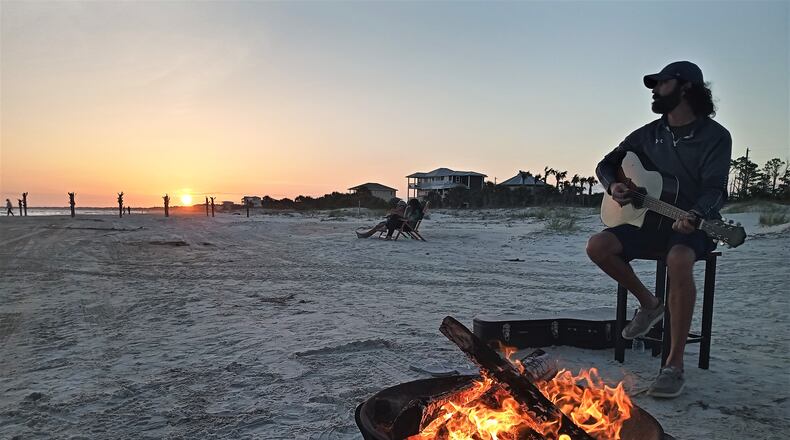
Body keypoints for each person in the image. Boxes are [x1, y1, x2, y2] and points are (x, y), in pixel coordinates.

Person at [586, 61, 731, 398]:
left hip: (692, 223)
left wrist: (696, 214)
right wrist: (613, 186)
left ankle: (673, 366)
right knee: (597, 246)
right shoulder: (647, 134)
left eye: (662, 83)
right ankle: (650, 303)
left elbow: (716, 189)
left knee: (679, 259)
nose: (654, 90)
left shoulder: (715, 136)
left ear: (686, 87)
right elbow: (606, 164)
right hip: (647, 222)